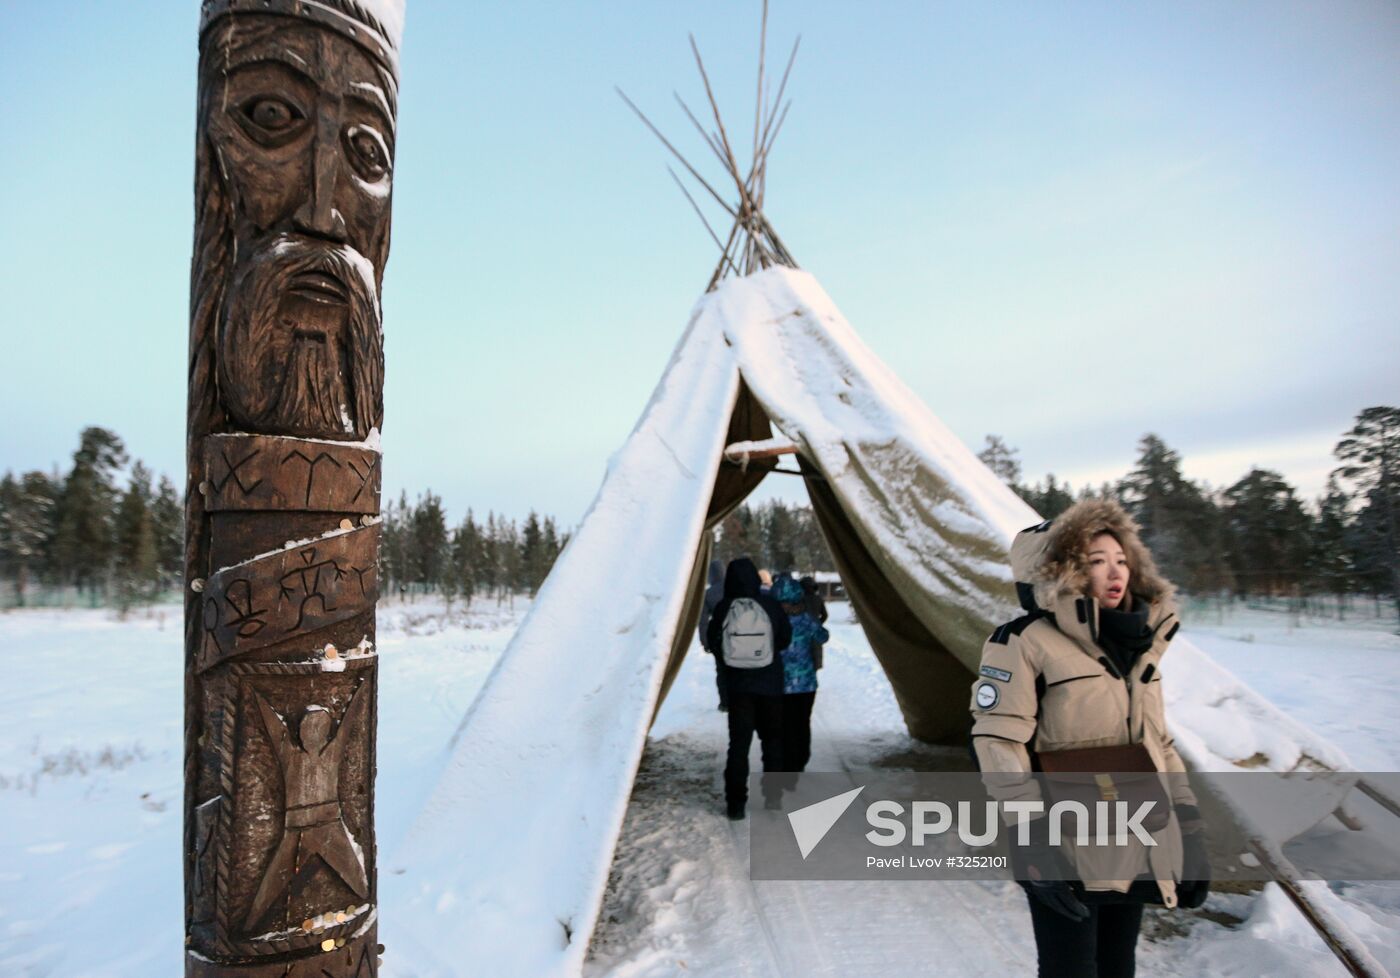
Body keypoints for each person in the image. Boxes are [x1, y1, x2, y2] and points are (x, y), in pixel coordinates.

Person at [971, 499, 1210, 978]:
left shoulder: (1140, 645)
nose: (1114, 572)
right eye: (1095, 562)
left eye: (1121, 560)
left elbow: (1159, 746)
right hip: (1065, 840)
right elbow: (999, 743)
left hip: (1137, 833)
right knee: (1070, 969)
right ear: (1062, 572)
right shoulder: (1023, 641)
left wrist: (1188, 825)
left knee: (1118, 966)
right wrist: (1031, 839)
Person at [707, 557, 792, 820]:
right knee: (773, 742)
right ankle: (773, 798)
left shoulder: (724, 608)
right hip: (770, 685)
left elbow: (714, 642)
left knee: (739, 746)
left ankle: (736, 804)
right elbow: (784, 638)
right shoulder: (769, 604)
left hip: (739, 687)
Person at [771, 574, 830, 773]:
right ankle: (800, 761)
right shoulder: (806, 618)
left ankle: (785, 764)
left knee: (783, 725)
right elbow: (823, 636)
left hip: (780, 683)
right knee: (802, 723)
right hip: (806, 683)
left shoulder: (772, 621)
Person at [697, 558, 729, 711]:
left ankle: (725, 702)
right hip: (739, 634)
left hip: (718, 637)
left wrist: (705, 642)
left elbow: (702, 621)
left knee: (722, 670)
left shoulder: (708, 594)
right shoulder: (734, 587)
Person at [799, 575, 829, 669]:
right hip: (816, 631)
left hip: (803, 631)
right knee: (815, 656)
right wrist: (818, 623)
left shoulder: (800, 599)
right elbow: (825, 615)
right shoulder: (818, 599)